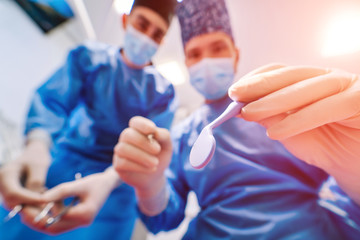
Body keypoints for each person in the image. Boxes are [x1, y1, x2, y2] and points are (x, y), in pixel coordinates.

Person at [112, 0, 360, 239]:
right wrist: (151, 187)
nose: (206, 61)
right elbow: (165, 218)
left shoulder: (284, 109)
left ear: (236, 54)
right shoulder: (183, 135)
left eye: (218, 48)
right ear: (187, 64)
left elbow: (344, 198)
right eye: (195, 54)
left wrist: (355, 175)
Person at [0, 0, 177, 239]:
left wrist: (108, 180)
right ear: (125, 20)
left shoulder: (162, 93)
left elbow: (147, 153)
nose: (147, 37)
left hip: (115, 188)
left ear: (161, 43)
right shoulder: (89, 58)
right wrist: (37, 147)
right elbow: (52, 101)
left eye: (157, 35)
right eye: (142, 24)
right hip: (63, 162)